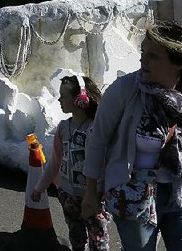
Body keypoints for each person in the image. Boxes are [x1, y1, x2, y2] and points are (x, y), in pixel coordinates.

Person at [81, 21, 182, 251]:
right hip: (134, 193)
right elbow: (97, 140)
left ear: (178, 63)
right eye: (143, 52)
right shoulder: (124, 90)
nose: (143, 60)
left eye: (153, 56)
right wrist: (91, 192)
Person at [32, 75, 111, 251]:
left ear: (81, 99)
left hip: (93, 197)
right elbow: (55, 161)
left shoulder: (95, 128)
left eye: (64, 96)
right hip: (68, 195)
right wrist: (40, 187)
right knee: (77, 240)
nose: (59, 99)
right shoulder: (63, 127)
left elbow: (105, 164)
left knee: (98, 241)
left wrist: (102, 192)